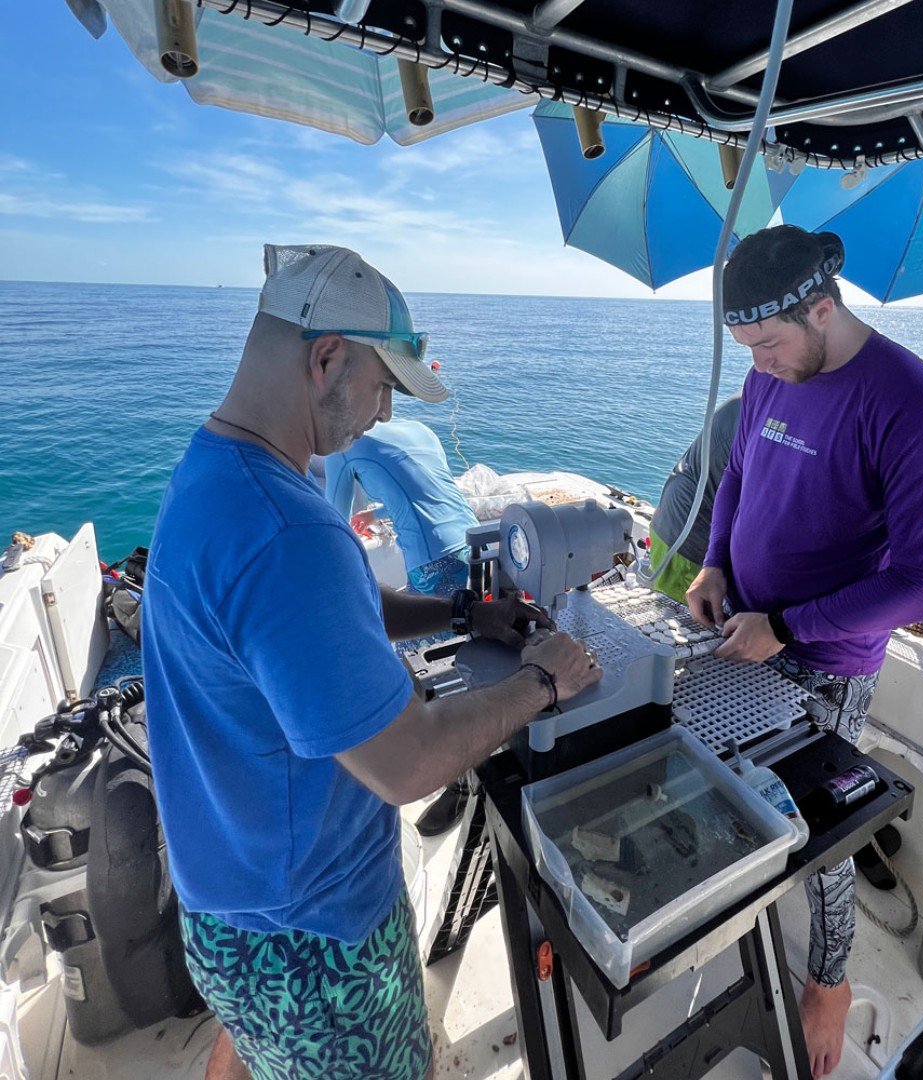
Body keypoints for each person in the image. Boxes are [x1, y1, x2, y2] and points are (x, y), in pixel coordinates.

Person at [141, 243, 602, 1080]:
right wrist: (546, 680)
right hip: (315, 942)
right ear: (325, 359)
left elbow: (327, 614)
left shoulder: (216, 473)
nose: (385, 415)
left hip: (228, 905)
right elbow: (409, 762)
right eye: (384, 385)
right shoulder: (290, 533)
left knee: (255, 1048)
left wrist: (462, 610)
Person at [685, 225, 923, 1079]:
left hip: (828, 659)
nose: (759, 364)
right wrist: (714, 560)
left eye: (769, 344)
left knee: (823, 832)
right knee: (730, 778)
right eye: (746, 349)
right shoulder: (769, 370)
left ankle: (830, 981)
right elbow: (738, 471)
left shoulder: (912, 405)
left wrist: (788, 626)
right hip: (743, 622)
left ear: (822, 309)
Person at [323, 419, 481, 836]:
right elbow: (433, 491)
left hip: (434, 564)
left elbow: (329, 522)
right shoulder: (421, 430)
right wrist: (377, 511)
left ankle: (461, 781)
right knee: (467, 654)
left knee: (425, 670)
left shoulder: (344, 443)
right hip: (473, 542)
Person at [648, 394, 741, 604]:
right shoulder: (761, 412)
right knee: (686, 628)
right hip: (687, 541)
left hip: (673, 519)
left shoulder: (753, 400)